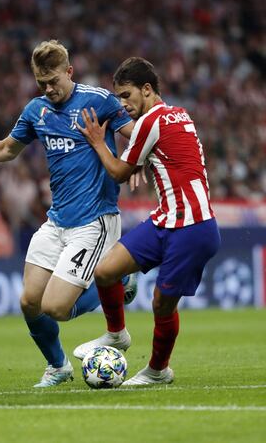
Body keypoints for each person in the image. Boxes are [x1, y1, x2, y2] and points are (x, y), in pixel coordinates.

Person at [0, 40, 137, 387]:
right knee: (29, 302)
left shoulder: (97, 101)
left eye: (54, 80)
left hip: (94, 220)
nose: (49, 89)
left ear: (69, 72)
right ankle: (58, 366)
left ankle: (116, 279)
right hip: (57, 221)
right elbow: (7, 149)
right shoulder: (36, 110)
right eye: (42, 83)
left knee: (56, 307)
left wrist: (136, 162)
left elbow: (133, 132)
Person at [74, 57, 221, 385]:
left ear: (147, 89)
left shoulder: (149, 122)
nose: (123, 104)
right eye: (119, 98)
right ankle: (116, 335)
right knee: (106, 271)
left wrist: (98, 142)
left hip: (192, 228)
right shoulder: (179, 114)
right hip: (167, 220)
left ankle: (157, 371)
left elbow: (118, 173)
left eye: (127, 95)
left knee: (161, 304)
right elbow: (169, 153)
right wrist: (142, 162)